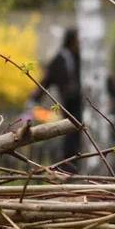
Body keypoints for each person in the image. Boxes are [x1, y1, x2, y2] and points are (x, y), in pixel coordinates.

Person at [33, 27, 83, 165]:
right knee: (70, 133)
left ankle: (75, 162)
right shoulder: (62, 58)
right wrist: (34, 98)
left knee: (77, 133)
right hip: (69, 103)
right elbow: (48, 79)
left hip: (81, 102)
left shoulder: (79, 57)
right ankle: (70, 164)